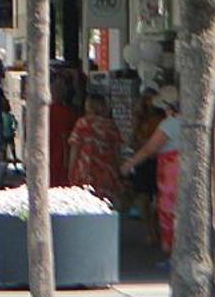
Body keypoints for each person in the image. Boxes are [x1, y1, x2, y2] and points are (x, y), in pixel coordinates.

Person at [124, 88, 182, 262]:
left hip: (170, 169)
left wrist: (130, 163)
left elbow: (150, 148)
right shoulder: (191, 121)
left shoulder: (169, 124)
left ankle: (173, 253)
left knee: (168, 209)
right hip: (185, 165)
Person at [65, 94, 125, 203]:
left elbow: (75, 148)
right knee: (105, 201)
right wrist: (118, 170)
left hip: (86, 168)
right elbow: (117, 150)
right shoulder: (110, 125)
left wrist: (71, 170)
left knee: (85, 200)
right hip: (106, 168)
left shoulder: (82, 123)